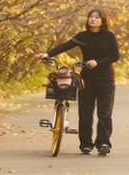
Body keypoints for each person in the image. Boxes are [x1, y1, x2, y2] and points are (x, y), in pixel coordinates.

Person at [35, 9, 120, 156]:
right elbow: (65, 46)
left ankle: (103, 143)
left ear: (103, 20)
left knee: (104, 113)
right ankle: (86, 144)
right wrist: (47, 54)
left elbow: (115, 56)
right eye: (90, 17)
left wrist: (97, 62)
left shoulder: (109, 36)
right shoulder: (83, 36)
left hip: (106, 79)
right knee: (85, 113)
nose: (92, 19)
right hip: (86, 79)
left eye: (96, 17)